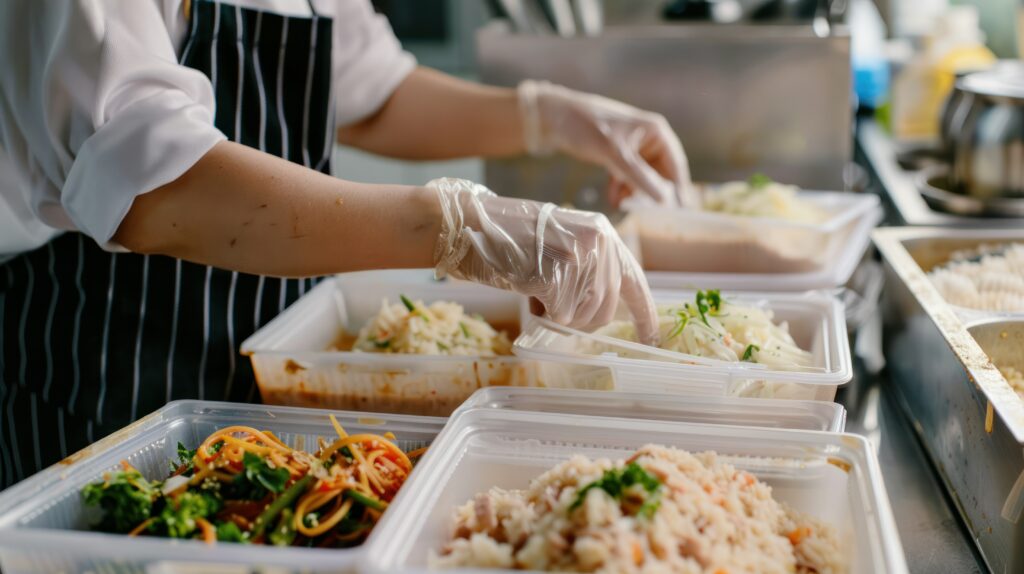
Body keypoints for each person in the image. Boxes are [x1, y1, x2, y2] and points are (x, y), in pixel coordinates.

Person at [0, 0, 694, 488]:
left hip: (274, 381)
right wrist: (453, 225)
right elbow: (152, 192)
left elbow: (373, 94)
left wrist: (549, 116)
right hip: (102, 381)